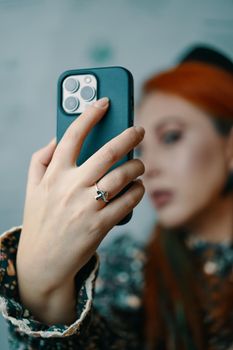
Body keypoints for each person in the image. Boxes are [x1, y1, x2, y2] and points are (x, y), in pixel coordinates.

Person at [0, 44, 233, 350]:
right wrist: (39, 287)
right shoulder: (129, 268)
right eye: (143, 149)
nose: (150, 168)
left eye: (172, 136)